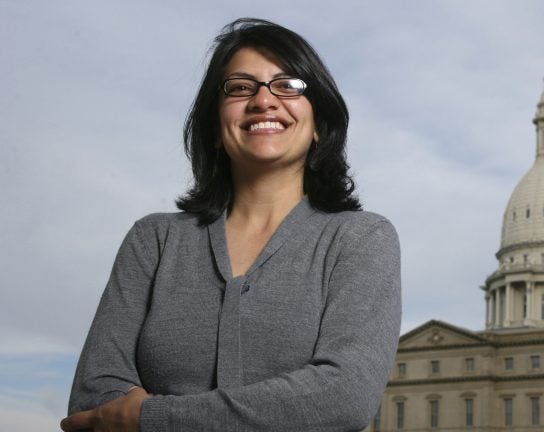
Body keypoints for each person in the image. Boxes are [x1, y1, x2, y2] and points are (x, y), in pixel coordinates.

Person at [60, 18, 401, 432]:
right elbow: (93, 398)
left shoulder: (361, 239)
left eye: (288, 85)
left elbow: (343, 396)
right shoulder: (153, 240)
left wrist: (152, 416)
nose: (263, 100)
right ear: (216, 129)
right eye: (240, 87)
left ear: (319, 125)